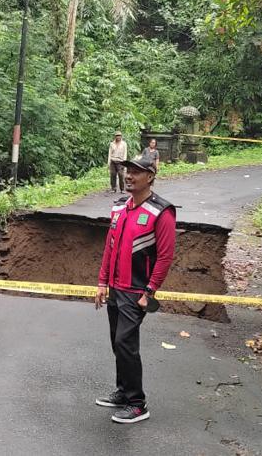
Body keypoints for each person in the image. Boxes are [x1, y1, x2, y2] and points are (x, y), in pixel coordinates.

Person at [93, 152, 176, 424]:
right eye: (127, 170)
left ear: (150, 177)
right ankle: (122, 392)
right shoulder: (119, 208)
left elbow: (165, 256)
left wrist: (149, 291)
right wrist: (102, 282)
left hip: (136, 290)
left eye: (136, 171)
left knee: (125, 343)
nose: (129, 175)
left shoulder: (161, 212)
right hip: (116, 288)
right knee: (118, 343)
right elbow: (110, 246)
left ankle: (138, 403)